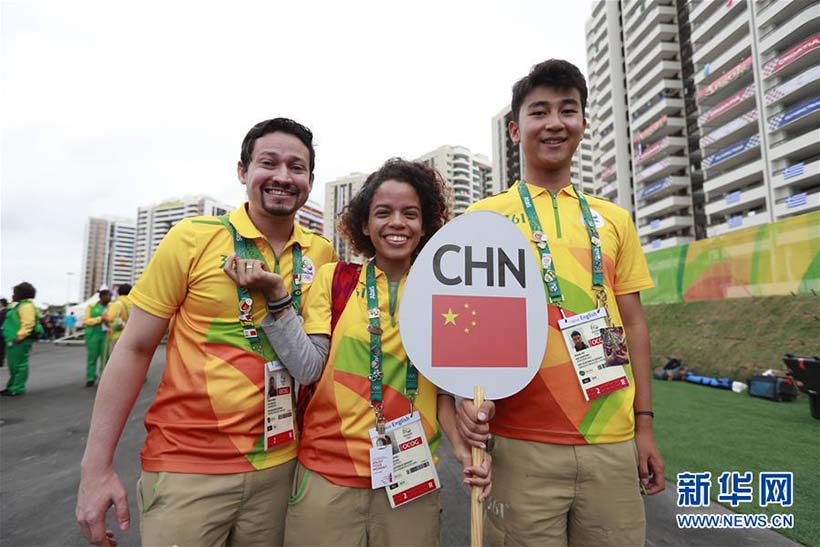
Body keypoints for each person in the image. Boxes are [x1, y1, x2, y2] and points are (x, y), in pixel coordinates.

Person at [75, 118, 337, 547]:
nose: (283, 177)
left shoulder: (320, 253)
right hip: (186, 468)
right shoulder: (192, 239)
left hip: (281, 465)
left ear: (310, 180)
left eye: (297, 167)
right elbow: (135, 350)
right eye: (268, 163)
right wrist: (95, 468)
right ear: (242, 171)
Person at [226, 158, 491, 547]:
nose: (397, 222)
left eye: (410, 213)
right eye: (383, 213)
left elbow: (443, 391)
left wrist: (463, 450)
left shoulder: (444, 290)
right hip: (326, 478)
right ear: (365, 225)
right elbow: (306, 368)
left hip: (411, 477)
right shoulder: (336, 279)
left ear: (426, 223)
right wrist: (277, 297)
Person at [456, 59, 665, 547]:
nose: (554, 123)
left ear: (584, 125)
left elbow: (632, 325)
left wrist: (644, 427)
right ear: (515, 129)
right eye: (539, 111)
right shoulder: (484, 217)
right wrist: (464, 398)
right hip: (520, 442)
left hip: (611, 440)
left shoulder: (613, 219)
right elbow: (465, 326)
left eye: (567, 110)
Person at [2, 283, 39, 396]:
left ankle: (18, 387)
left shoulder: (26, 306)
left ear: (21, 294)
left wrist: (20, 337)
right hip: (13, 339)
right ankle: (12, 386)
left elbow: (28, 323)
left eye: (15, 293)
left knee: (19, 365)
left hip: (19, 340)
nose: (13, 296)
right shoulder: (20, 305)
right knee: (13, 364)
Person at [83, 289, 111, 387]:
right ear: (102, 297)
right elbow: (86, 321)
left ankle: (104, 377)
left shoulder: (111, 307)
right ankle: (90, 378)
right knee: (92, 357)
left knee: (105, 357)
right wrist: (100, 319)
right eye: (108, 296)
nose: (110, 298)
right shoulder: (91, 307)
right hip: (93, 334)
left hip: (106, 335)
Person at [102, 284, 133, 368]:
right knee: (130, 358)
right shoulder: (134, 304)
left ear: (119, 292)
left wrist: (104, 317)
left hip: (118, 335)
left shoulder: (118, 303)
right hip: (133, 335)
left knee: (116, 360)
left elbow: (109, 318)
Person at [0, 298, 8, 367]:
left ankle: (1, 363)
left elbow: (4, 321)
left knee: (1, 347)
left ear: (2, 303)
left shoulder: (6, 311)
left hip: (2, 331)